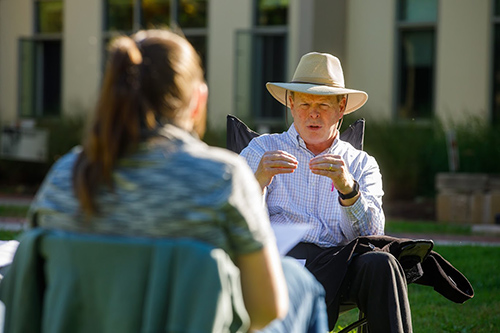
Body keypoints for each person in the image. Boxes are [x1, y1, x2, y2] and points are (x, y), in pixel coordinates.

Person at [26, 30, 328, 332]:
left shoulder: (65, 175)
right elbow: (265, 310)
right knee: (301, 285)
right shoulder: (223, 178)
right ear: (198, 99)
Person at [240, 52, 413, 332]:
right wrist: (258, 180)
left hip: (339, 264)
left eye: (323, 104)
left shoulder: (360, 163)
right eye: (305, 103)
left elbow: (372, 236)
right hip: (279, 263)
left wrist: (349, 190)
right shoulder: (261, 150)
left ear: (341, 107)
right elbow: (235, 221)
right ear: (290, 103)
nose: (313, 113)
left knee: (384, 263)